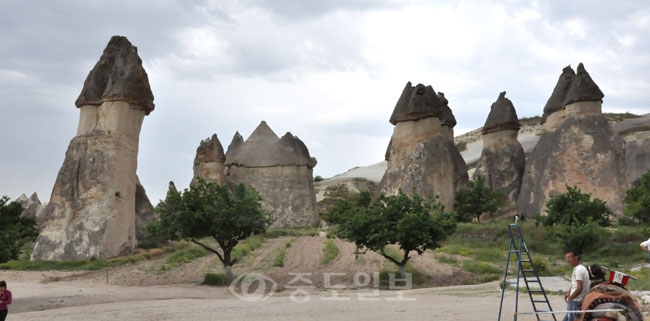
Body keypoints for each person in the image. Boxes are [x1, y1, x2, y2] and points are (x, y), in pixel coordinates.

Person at [563, 250, 590, 321]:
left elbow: (579, 288)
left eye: (569, 257)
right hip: (574, 300)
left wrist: (571, 298)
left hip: (576, 300)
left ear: (576, 258)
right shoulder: (579, 268)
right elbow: (575, 283)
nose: (567, 260)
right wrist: (568, 292)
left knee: (571, 319)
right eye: (567, 258)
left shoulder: (579, 270)